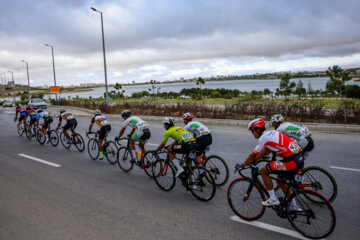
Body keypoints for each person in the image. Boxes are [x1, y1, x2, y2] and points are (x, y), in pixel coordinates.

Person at [236, 118, 303, 210]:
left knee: (263, 171)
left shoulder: (263, 138)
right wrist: (255, 160)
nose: (252, 134)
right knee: (280, 180)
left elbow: (253, 155)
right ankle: (294, 207)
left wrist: (242, 165)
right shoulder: (271, 132)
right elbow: (266, 149)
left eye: (252, 131)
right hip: (298, 157)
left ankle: (273, 199)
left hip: (291, 161)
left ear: (258, 129)